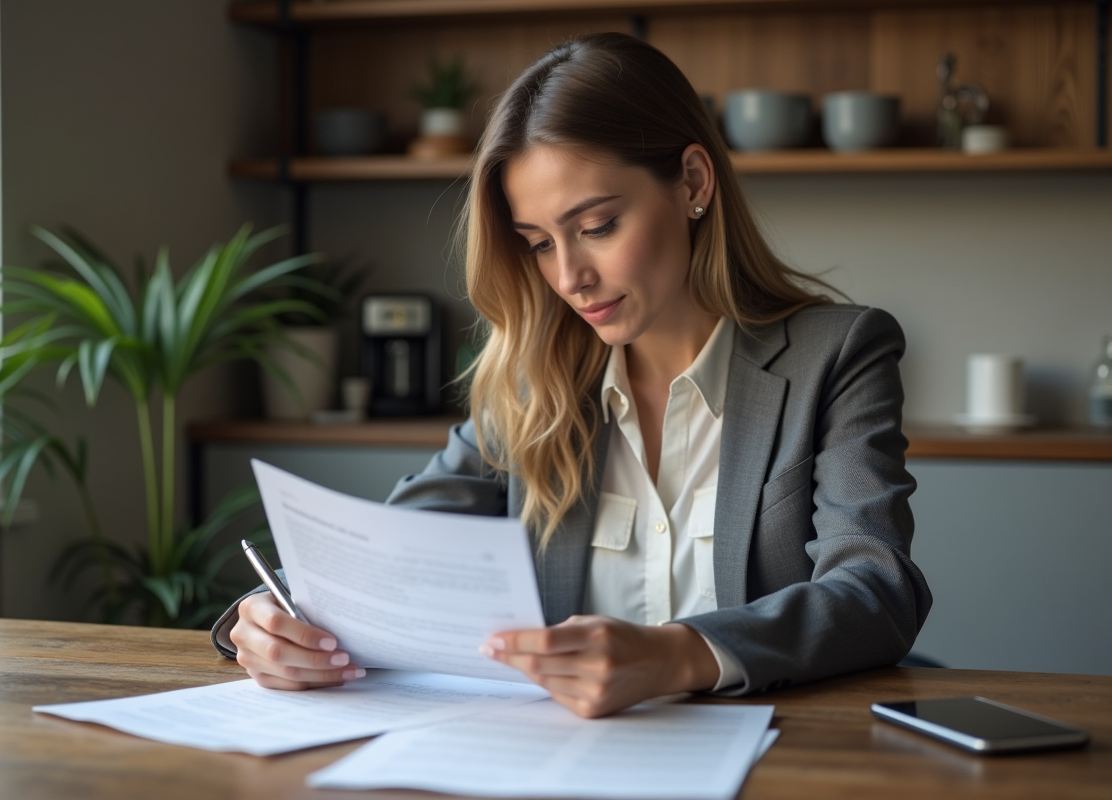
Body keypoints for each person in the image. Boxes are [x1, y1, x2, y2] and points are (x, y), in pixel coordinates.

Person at [211, 32, 932, 718]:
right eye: (537, 243)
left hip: (777, 755)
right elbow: (391, 550)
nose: (568, 277)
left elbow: (876, 587)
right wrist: (273, 616)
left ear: (692, 181)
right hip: (562, 759)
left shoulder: (837, 354)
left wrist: (676, 655)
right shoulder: (534, 383)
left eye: (596, 228)